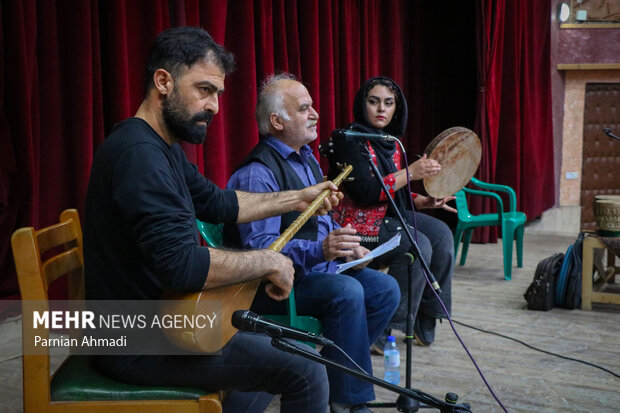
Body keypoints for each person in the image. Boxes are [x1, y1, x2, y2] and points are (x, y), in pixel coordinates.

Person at [84, 26, 344, 413]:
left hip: (165, 320)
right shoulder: (139, 156)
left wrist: (299, 197)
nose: (215, 107)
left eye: (218, 94)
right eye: (204, 90)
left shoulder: (161, 147)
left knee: (276, 353)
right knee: (306, 370)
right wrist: (271, 260)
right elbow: (181, 266)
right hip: (132, 338)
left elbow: (222, 204)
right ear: (163, 82)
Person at [225, 73, 400, 413]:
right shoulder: (257, 172)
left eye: (312, 106)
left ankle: (333, 378)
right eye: (305, 108)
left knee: (384, 289)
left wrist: (347, 247)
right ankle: (347, 401)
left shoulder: (305, 157)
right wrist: (320, 251)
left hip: (316, 271)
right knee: (346, 293)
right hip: (273, 288)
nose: (316, 114)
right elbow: (260, 251)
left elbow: (319, 222)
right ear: (277, 121)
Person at [326, 76, 454, 351]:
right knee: (418, 243)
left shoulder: (391, 143)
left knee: (441, 234)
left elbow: (393, 196)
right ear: (363, 105)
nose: (381, 109)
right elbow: (367, 192)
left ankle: (425, 316)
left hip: (384, 218)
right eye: (373, 102)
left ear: (397, 108)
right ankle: (384, 328)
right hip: (354, 227)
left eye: (388, 103)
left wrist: (422, 202)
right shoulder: (349, 140)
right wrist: (411, 173)